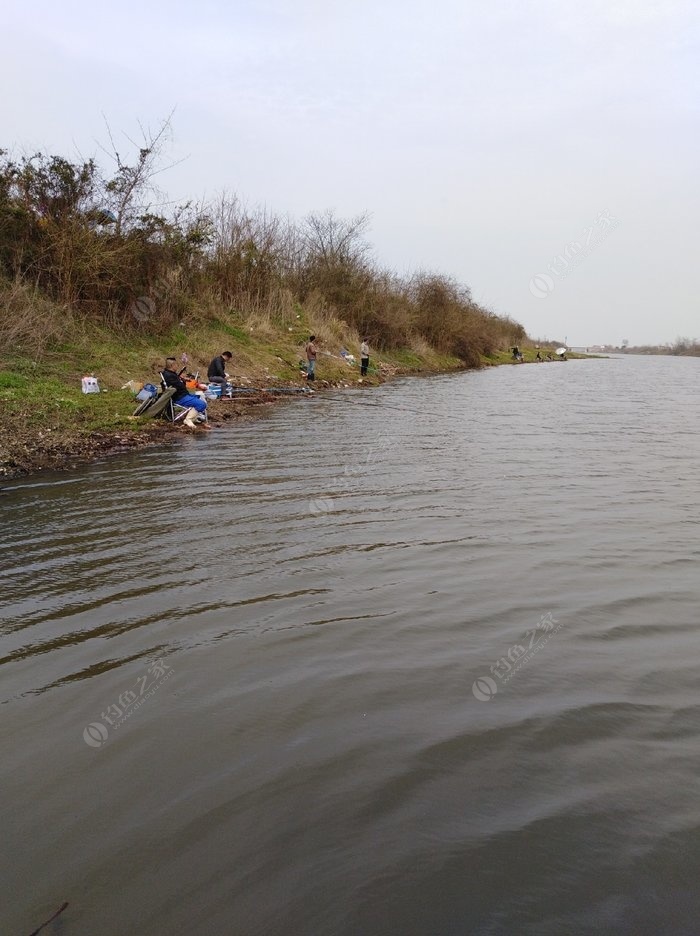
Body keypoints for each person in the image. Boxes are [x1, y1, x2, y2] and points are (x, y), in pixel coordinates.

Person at [161, 357, 210, 429]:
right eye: (176, 365)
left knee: (201, 396)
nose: (177, 366)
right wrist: (183, 381)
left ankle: (194, 417)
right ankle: (188, 419)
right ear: (172, 365)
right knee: (202, 404)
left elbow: (179, 384)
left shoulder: (170, 374)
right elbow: (180, 386)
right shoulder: (170, 376)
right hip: (180, 397)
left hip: (183, 395)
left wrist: (181, 379)